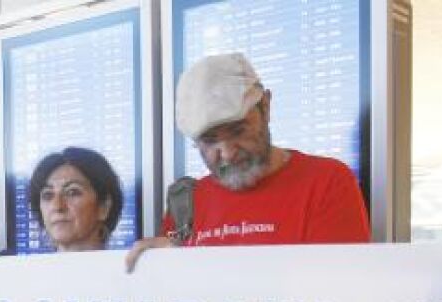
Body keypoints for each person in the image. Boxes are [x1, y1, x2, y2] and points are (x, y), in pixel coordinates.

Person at [125, 52, 370, 271]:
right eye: (209, 141)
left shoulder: (326, 183)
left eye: (238, 131)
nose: (227, 153)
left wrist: (195, 266)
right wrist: (158, 269)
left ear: (266, 106)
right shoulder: (187, 203)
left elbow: (336, 290)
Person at [29, 146, 123, 252]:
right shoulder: (23, 263)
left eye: (72, 192)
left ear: (104, 207)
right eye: (47, 195)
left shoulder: (131, 261)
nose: (57, 206)